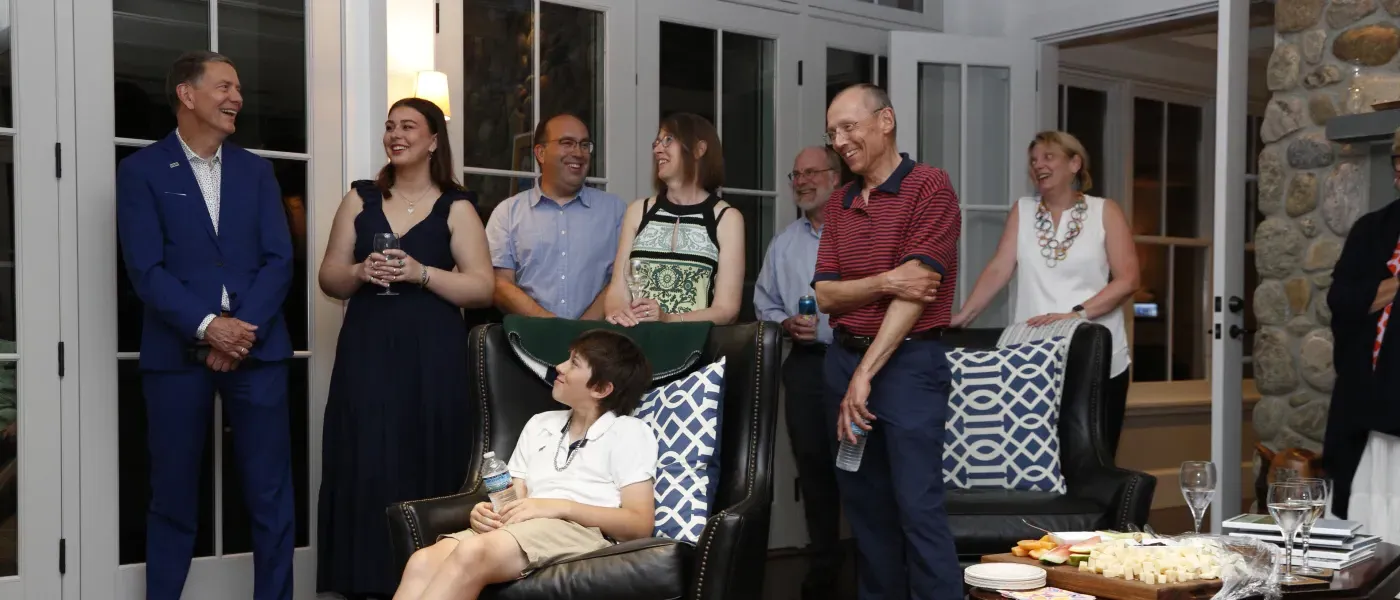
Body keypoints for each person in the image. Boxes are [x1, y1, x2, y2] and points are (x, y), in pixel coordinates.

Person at [116, 51, 296, 600]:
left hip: (256, 349)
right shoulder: (142, 171)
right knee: (171, 497)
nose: (236, 97)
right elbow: (145, 270)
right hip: (176, 357)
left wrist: (238, 329)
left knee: (270, 497)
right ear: (187, 96)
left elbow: (279, 259)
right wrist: (206, 327)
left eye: (238, 87)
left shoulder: (257, 170)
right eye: (224, 86)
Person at [316, 97, 496, 599]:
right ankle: (362, 581)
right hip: (368, 353)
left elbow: (482, 288)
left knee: (426, 458)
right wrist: (357, 272)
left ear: (434, 140)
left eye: (408, 127)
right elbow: (329, 276)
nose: (395, 134)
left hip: (433, 357)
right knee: (365, 459)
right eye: (390, 126)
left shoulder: (456, 207)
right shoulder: (360, 199)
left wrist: (421, 273)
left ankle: (431, 583)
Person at [812, 83, 960, 599]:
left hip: (909, 367)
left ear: (886, 120)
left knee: (916, 508)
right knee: (865, 511)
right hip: (843, 363)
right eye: (833, 133)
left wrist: (865, 375)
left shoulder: (929, 187)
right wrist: (883, 280)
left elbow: (917, 290)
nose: (840, 140)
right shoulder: (839, 204)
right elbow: (827, 296)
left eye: (849, 126)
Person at [392, 330, 658, 600]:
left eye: (574, 363)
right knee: (422, 562)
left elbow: (639, 523)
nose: (559, 367)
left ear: (601, 389)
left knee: (472, 552)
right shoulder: (540, 424)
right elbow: (514, 494)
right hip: (524, 525)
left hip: (581, 531)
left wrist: (559, 507)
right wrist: (487, 512)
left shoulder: (629, 432)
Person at [951, 131, 1138, 454]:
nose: (1038, 165)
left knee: (1093, 457)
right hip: (1031, 360)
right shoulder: (1022, 210)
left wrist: (1075, 316)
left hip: (1096, 355)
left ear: (1075, 163)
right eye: (1034, 160)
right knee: (1034, 455)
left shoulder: (1104, 211)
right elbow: (999, 268)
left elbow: (1128, 279)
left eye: (1049, 157)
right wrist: (963, 317)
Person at [753, 146, 842, 600]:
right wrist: (784, 322)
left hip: (856, 360)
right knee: (815, 469)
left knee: (862, 468)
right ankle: (825, 567)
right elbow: (764, 301)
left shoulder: (858, 233)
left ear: (836, 178)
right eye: (796, 175)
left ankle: (877, 563)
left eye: (812, 173)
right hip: (805, 367)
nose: (802, 181)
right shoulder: (784, 243)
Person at [1324, 126, 1400, 541]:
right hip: (1370, 404)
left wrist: (1382, 292)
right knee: (1368, 512)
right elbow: (1343, 300)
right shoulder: (1372, 230)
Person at [604, 113, 744, 327]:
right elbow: (617, 293)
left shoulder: (726, 219)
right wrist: (618, 314)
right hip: (633, 349)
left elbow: (727, 310)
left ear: (699, 150)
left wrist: (668, 319)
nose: (657, 149)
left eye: (668, 140)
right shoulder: (638, 211)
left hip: (693, 350)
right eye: (657, 142)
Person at [486, 114, 628, 319]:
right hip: (528, 339)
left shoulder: (615, 211)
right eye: (567, 143)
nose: (578, 153)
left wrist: (582, 331)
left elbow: (624, 279)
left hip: (599, 342)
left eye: (584, 144)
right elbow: (500, 285)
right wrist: (551, 327)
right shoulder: (508, 213)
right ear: (541, 153)